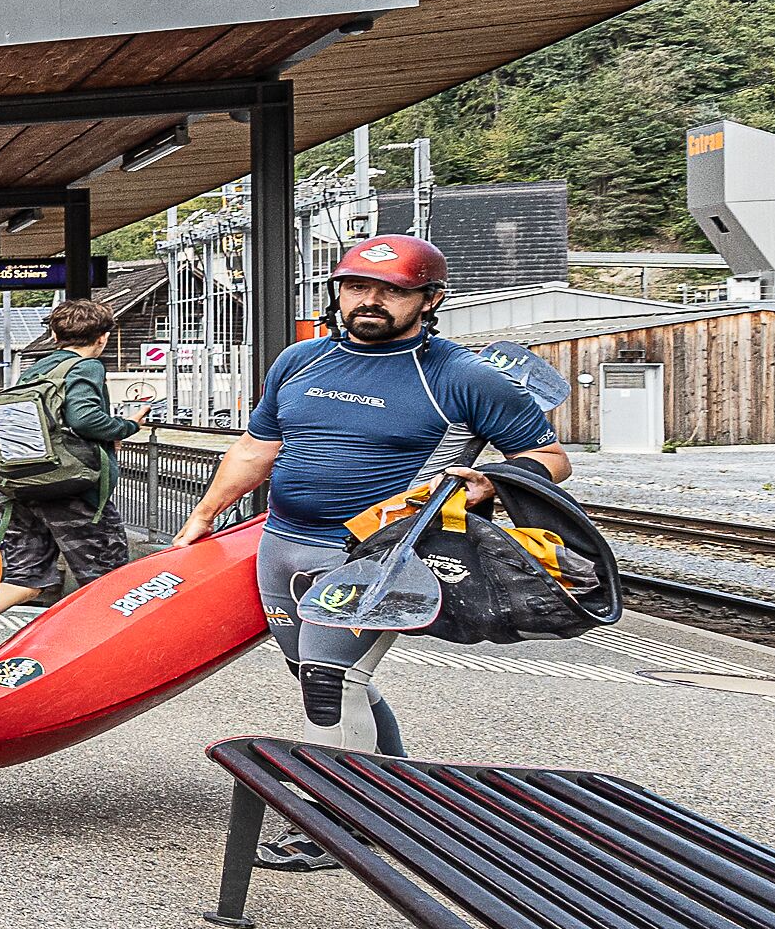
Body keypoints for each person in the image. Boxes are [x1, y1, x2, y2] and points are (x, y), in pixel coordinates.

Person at [173, 232, 569, 860]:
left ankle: (335, 826)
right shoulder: (299, 362)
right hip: (282, 546)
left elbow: (549, 458)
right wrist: (204, 515)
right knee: (325, 677)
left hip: (374, 556)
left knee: (330, 683)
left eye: (392, 291)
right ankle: (399, 792)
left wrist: (490, 480)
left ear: (429, 299)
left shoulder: (459, 376)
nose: (371, 300)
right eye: (357, 286)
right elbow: (256, 448)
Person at [0, 295, 146, 604]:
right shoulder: (86, 367)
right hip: (72, 490)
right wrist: (126, 426)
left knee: (25, 579)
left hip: (25, 485)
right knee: (107, 579)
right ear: (103, 337)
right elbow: (83, 418)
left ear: (55, 336)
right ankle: (101, 648)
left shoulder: (35, 370)